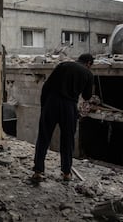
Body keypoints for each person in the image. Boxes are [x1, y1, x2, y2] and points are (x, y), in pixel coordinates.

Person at [32, 53, 94, 182]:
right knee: (67, 140)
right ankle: (66, 173)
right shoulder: (88, 74)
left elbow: (46, 86)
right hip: (69, 106)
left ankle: (38, 171)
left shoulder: (63, 65)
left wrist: (45, 106)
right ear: (88, 63)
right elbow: (87, 96)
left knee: (44, 137)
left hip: (52, 102)